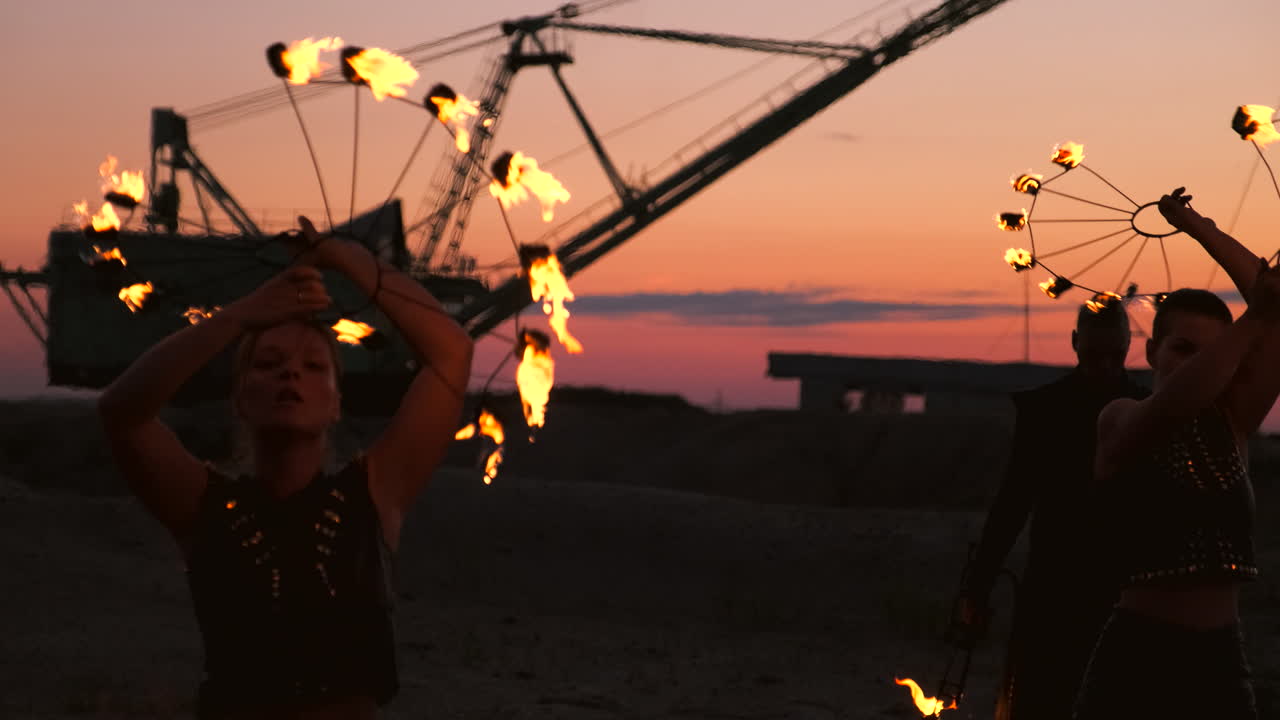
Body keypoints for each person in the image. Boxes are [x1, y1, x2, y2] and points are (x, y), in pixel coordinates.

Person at [98, 217, 474, 719]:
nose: (291, 372)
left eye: (314, 366)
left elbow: (452, 352)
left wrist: (348, 258)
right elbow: (120, 413)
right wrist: (241, 316)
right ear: (240, 397)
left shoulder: (374, 493)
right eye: (268, 363)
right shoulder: (202, 504)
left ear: (336, 403)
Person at [1073, 188, 1280, 720]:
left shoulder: (1233, 424)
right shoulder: (1121, 417)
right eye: (1183, 349)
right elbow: (1181, 398)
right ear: (1149, 352)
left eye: (1212, 351)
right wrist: (1253, 322)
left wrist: (1199, 227)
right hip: (1137, 661)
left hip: (1220, 662)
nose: (1198, 364)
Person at [952, 299, 1146, 720]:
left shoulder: (1147, 411)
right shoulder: (1045, 410)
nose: (1105, 367)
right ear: (1076, 343)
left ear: (1129, 346)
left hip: (1121, 589)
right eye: (1096, 356)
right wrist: (979, 584)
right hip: (1053, 587)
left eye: (1113, 356)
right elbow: (1012, 502)